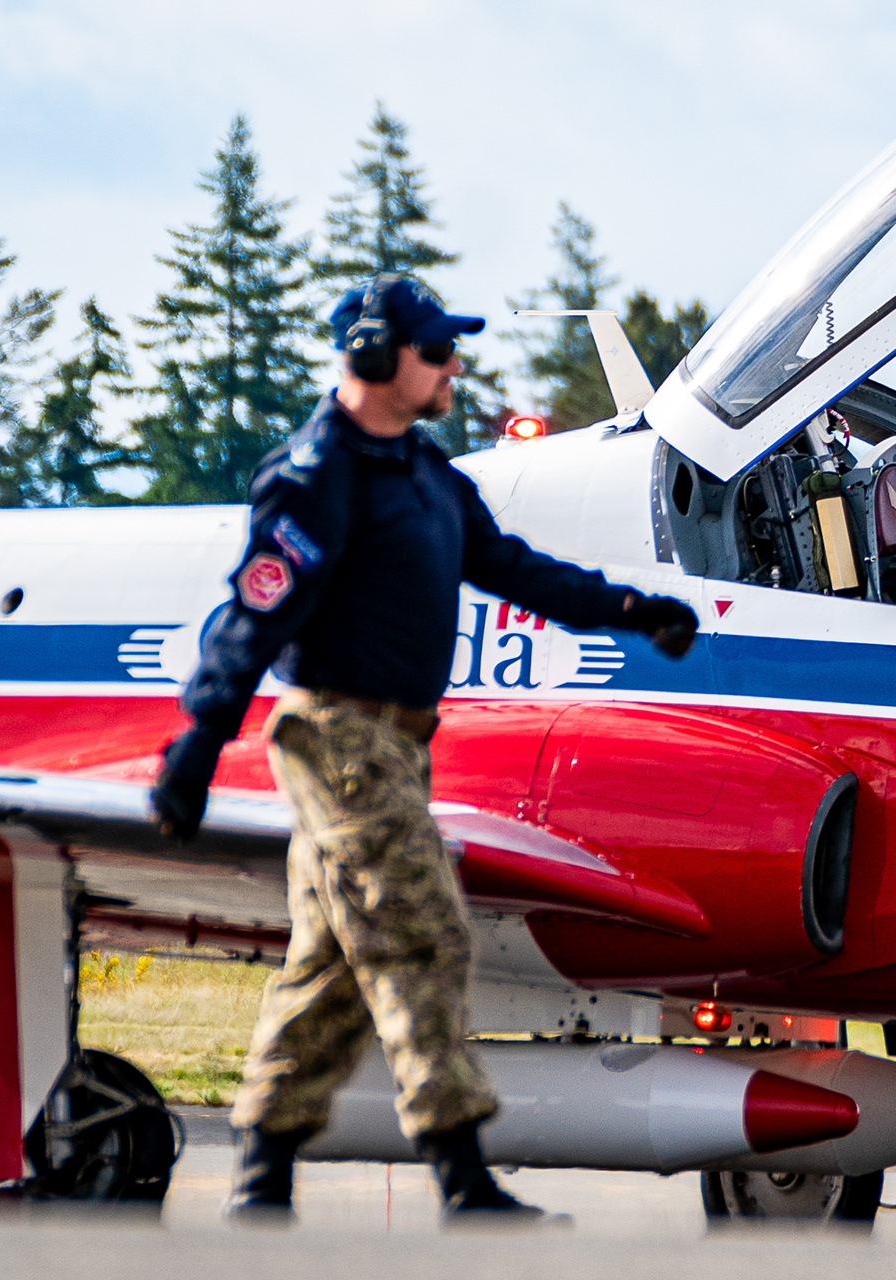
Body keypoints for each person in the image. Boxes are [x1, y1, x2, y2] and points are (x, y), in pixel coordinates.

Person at [148, 274, 698, 1224]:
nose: (454, 365)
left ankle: (260, 1175)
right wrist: (197, 745)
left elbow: (509, 566)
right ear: (374, 356)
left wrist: (629, 610)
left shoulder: (426, 474)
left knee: (330, 965)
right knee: (423, 931)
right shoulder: (316, 478)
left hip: (400, 746)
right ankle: (460, 1175)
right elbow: (253, 617)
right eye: (438, 349)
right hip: (338, 741)